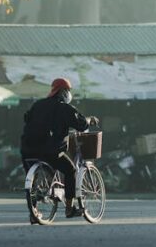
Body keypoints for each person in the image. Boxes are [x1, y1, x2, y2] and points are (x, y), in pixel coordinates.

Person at [20, 78, 98, 221]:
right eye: (68, 90)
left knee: (33, 180)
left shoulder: (37, 105)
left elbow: (27, 119)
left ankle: (33, 212)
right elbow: (80, 124)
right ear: (63, 92)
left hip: (27, 149)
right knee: (70, 170)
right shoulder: (64, 108)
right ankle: (69, 208)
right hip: (50, 150)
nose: (69, 93)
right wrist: (89, 120)